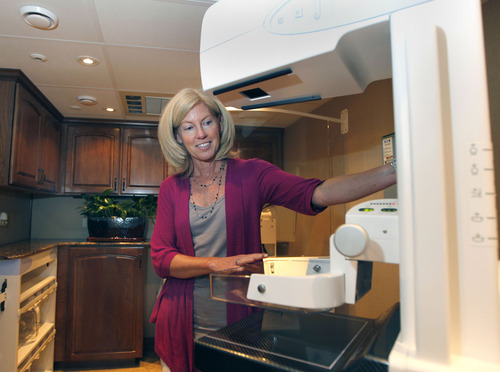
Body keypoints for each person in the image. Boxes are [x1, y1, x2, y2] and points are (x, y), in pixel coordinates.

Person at [150, 88, 397, 372]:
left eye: (206, 122)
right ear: (179, 137)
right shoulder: (172, 188)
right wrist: (215, 264)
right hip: (179, 324)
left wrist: (392, 170)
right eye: (189, 127)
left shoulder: (252, 174)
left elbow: (317, 192)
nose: (201, 134)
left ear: (219, 123)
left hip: (240, 323)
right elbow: (161, 258)